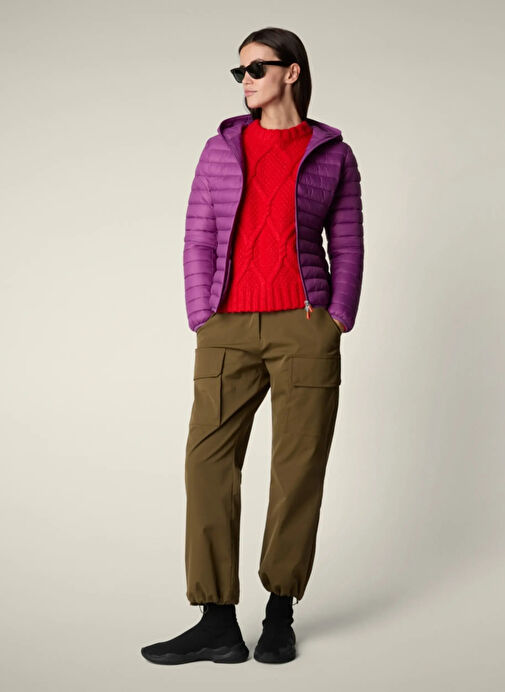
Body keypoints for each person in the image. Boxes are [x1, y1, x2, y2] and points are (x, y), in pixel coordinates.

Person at [141, 26, 364, 666]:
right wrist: (202, 315)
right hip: (228, 328)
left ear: (292, 72)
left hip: (304, 326)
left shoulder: (333, 153)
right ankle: (216, 622)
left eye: (256, 68)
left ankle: (278, 614)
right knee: (207, 463)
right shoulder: (220, 149)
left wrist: (337, 316)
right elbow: (198, 236)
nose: (245, 81)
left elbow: (347, 240)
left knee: (298, 470)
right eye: (238, 71)